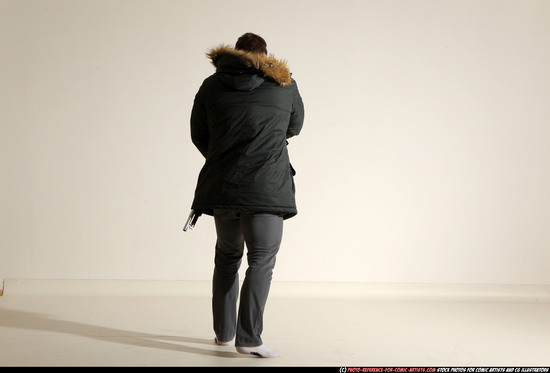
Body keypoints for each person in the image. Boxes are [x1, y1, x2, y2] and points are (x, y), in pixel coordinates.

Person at [189, 33, 304, 358]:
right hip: (267, 187)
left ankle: (224, 334)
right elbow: (294, 126)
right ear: (266, 56)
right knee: (261, 261)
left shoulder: (211, 85)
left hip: (224, 187)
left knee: (226, 258)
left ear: (235, 54)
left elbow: (199, 133)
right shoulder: (285, 83)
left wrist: (225, 156)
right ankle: (249, 338)